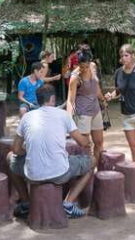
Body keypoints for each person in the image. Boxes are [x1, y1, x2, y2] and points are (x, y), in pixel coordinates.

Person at [9, 85, 93, 218]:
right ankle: (68, 205)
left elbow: (15, 149)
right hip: (60, 173)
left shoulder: (27, 117)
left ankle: (25, 203)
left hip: (32, 175)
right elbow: (82, 142)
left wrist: (28, 151)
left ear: (38, 100)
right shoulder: (64, 115)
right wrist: (89, 142)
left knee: (10, 158)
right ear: (53, 99)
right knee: (90, 164)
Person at [66, 50, 106, 167]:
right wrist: (69, 117)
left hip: (95, 110)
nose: (84, 69)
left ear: (90, 63)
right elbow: (70, 100)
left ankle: (96, 170)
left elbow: (96, 88)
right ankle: (86, 174)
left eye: (86, 66)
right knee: (85, 144)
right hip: (82, 113)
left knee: (99, 142)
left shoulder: (93, 68)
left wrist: (103, 100)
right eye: (81, 66)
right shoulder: (75, 78)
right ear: (77, 64)